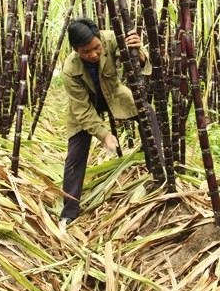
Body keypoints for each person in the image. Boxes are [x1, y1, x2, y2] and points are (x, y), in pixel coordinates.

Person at [59, 18, 154, 227]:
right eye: (86, 52)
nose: (93, 54)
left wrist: (137, 51)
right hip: (86, 104)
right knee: (75, 153)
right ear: (76, 50)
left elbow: (139, 63)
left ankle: (157, 172)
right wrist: (104, 135)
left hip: (113, 93)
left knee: (148, 114)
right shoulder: (70, 68)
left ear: (100, 39)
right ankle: (69, 211)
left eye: (96, 48)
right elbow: (82, 110)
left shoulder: (112, 39)